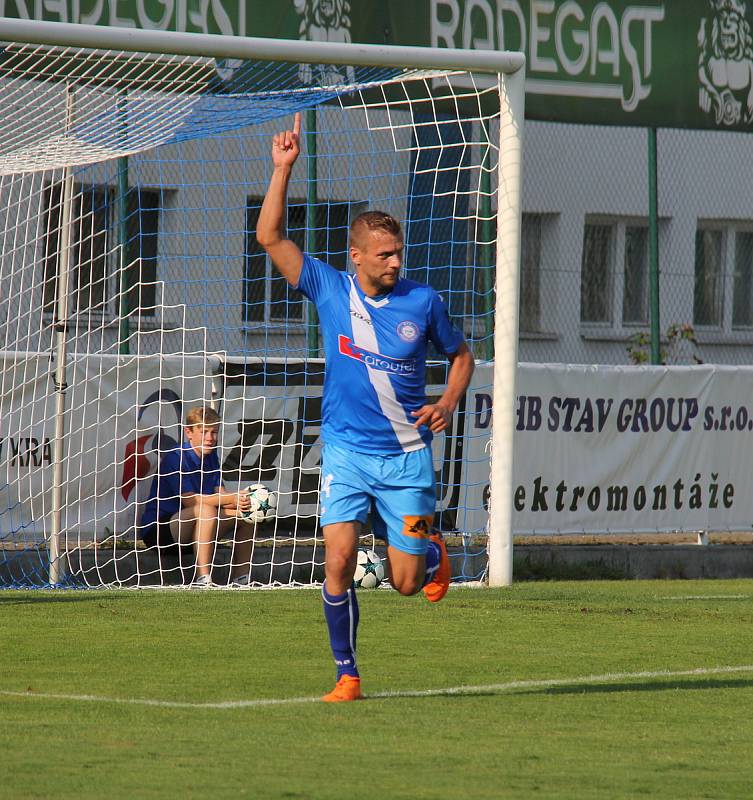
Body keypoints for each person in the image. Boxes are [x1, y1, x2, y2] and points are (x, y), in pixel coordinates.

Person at [256, 112, 475, 701]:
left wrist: (449, 399)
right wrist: (282, 171)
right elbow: (271, 239)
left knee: (405, 585)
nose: (396, 263)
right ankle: (346, 674)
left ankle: (429, 553)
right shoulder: (329, 288)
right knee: (339, 561)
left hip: (407, 456)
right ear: (356, 256)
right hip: (347, 453)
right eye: (384, 255)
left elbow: (461, 357)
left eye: (399, 254)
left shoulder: (423, 302)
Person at [139, 406, 256, 587]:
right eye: (204, 432)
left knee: (249, 516)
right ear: (189, 432)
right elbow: (190, 501)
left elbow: (221, 495)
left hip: (197, 528)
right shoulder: (176, 458)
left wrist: (245, 500)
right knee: (206, 511)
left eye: (214, 432)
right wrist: (232, 498)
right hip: (160, 531)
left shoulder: (211, 457)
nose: (210, 438)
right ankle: (203, 578)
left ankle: (242, 578)